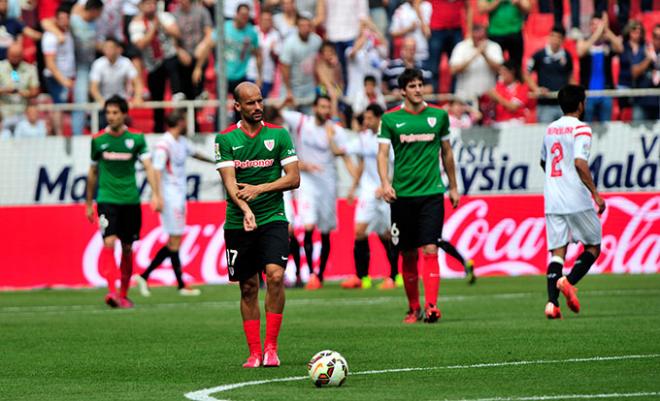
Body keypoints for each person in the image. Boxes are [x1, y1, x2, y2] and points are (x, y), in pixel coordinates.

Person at [215, 82, 300, 368]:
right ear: (237, 106)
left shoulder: (279, 135)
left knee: (275, 277)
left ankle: (272, 348)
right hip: (238, 221)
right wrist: (245, 208)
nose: (258, 107)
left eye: (260, 101)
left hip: (273, 218)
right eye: (250, 103)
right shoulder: (225, 139)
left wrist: (259, 189)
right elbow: (229, 183)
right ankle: (254, 353)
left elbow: (293, 178)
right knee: (248, 287)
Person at [377, 68, 460, 324]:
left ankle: (432, 305)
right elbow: (382, 154)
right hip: (402, 196)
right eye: (412, 86)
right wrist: (385, 183)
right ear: (402, 90)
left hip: (432, 194)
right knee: (408, 253)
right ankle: (413, 308)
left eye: (420, 84)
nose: (417, 89)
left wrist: (453, 187)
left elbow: (447, 152)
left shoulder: (438, 116)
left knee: (430, 248)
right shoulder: (390, 119)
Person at [85, 95, 161, 308]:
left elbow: (148, 166)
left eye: (115, 112)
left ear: (124, 114)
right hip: (107, 199)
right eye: (108, 113)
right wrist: (88, 202)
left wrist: (155, 194)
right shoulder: (98, 140)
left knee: (127, 248)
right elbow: (92, 172)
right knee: (108, 242)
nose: (111, 116)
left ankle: (124, 293)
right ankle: (111, 292)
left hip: (130, 200)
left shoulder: (136, 139)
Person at [540, 84, 605, 320]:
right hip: (576, 198)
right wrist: (595, 194)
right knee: (593, 246)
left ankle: (551, 304)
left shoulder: (550, 129)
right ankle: (568, 281)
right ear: (580, 104)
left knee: (557, 253)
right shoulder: (582, 129)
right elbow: (580, 163)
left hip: (553, 199)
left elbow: (543, 161)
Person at [134, 111, 214, 297]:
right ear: (179, 122)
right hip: (169, 197)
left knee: (174, 241)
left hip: (178, 196)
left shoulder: (182, 142)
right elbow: (156, 170)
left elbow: (196, 154)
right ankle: (179, 284)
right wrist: (157, 196)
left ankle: (146, 276)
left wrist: (217, 162)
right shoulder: (164, 144)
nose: (187, 123)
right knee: (175, 240)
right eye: (185, 120)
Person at [281, 95, 355, 290]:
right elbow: (275, 114)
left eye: (327, 107)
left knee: (325, 231)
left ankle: (320, 274)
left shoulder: (336, 131)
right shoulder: (301, 122)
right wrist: (283, 102)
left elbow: (342, 153)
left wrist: (331, 139)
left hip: (328, 184)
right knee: (308, 224)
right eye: (322, 107)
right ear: (314, 107)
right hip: (306, 182)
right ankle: (311, 273)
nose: (325, 111)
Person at [341, 104, 402, 290]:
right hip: (368, 193)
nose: (365, 122)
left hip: (385, 193)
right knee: (359, 231)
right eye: (365, 118)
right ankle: (362, 277)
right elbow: (343, 152)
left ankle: (394, 275)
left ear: (378, 118)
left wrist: (386, 185)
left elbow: (398, 166)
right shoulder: (363, 138)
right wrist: (353, 185)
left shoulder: (388, 139)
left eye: (369, 118)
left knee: (387, 235)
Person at [129, 0, 182, 132]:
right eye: (147, 4)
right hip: (152, 65)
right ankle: (159, 128)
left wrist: (161, 25)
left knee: (172, 62)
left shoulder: (165, 16)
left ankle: (177, 93)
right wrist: (153, 29)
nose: (151, 6)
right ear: (141, 6)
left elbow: (176, 32)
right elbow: (140, 44)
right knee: (157, 97)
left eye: (153, 3)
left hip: (169, 58)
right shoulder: (136, 24)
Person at [577, 14, 623, 123]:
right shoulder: (584, 41)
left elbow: (620, 48)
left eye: (598, 25)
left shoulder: (607, 44)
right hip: (588, 94)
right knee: (586, 126)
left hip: (606, 93)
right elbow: (580, 51)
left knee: (606, 125)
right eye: (593, 24)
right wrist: (598, 33)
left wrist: (606, 30)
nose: (596, 27)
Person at [525, 26, 574, 124]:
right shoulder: (539, 55)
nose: (555, 40)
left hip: (563, 106)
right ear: (549, 37)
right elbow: (526, 74)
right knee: (546, 136)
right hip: (545, 105)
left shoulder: (567, 56)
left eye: (558, 37)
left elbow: (570, 77)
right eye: (553, 36)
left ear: (563, 40)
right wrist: (536, 89)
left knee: (565, 137)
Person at [449, 24, 503, 106]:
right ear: (472, 36)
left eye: (482, 38)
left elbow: (500, 69)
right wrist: (475, 54)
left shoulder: (494, 47)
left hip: (487, 98)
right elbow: (453, 70)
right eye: (477, 38)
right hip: (465, 98)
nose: (479, 41)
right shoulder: (461, 47)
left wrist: (484, 54)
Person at [42, 5, 76, 136]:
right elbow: (50, 64)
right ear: (55, 19)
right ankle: (59, 134)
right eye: (60, 18)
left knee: (65, 106)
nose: (64, 21)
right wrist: (63, 80)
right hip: (56, 78)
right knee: (59, 106)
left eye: (66, 18)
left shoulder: (68, 32)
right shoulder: (50, 37)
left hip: (68, 76)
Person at [477, 0, 530, 69]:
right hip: (495, 33)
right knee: (494, 66)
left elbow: (528, 8)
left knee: (517, 68)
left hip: (515, 33)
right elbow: (481, 9)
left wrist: (519, 3)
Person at [0, 42, 40, 131]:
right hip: (3, 114)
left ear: (22, 55)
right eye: (12, 56)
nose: (14, 59)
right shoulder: (0, 67)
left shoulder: (30, 69)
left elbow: (35, 90)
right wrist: (5, 90)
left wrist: (25, 93)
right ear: (7, 54)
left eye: (17, 56)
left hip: (23, 114)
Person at [487, 60, 531, 127]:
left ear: (512, 72)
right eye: (500, 71)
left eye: (504, 71)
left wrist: (497, 97)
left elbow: (513, 107)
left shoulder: (522, 87)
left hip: (516, 122)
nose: (501, 74)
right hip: (499, 122)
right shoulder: (498, 86)